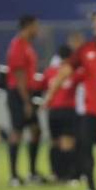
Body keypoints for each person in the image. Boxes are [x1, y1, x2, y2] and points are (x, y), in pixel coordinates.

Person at [44, 7, 96, 190]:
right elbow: (65, 71)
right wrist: (51, 95)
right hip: (92, 112)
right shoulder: (85, 50)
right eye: (95, 19)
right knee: (83, 148)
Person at [4, 15, 43, 186]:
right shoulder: (18, 45)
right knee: (17, 131)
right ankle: (13, 176)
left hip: (26, 93)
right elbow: (19, 75)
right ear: (28, 26)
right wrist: (26, 101)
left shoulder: (26, 45)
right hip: (18, 94)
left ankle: (32, 173)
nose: (38, 29)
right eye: (36, 26)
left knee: (35, 130)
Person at [42, 44, 78, 183]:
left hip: (53, 111)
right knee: (68, 144)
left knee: (55, 143)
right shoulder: (73, 71)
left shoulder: (50, 71)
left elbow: (41, 86)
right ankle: (69, 176)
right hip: (68, 110)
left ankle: (55, 173)